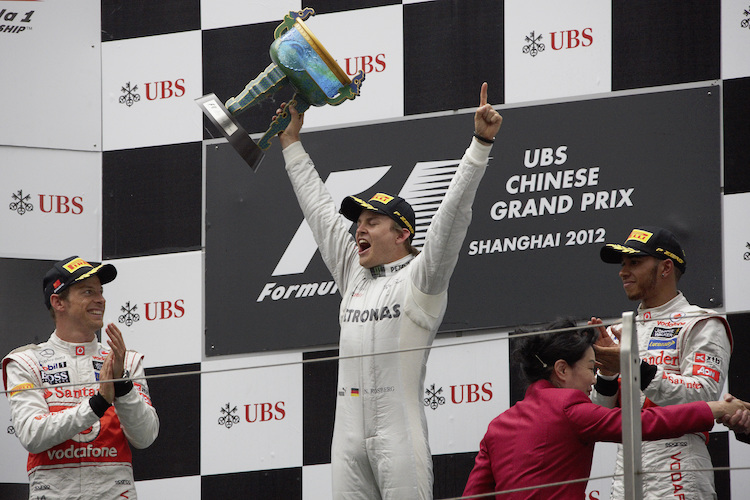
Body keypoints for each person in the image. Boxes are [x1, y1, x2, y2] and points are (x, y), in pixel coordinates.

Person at [274, 83, 502, 499]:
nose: (358, 229)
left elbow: (453, 216)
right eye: (357, 222)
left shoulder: (422, 278)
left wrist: (479, 146)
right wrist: (291, 145)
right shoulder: (353, 273)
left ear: (402, 234)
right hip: (346, 440)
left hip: (398, 437)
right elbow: (318, 208)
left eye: (371, 222)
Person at [462, 319, 744, 500]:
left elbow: (473, 494)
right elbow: (643, 423)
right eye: (590, 369)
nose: (594, 379)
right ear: (562, 369)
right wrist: (716, 408)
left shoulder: (497, 425)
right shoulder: (569, 408)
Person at [590, 226, 732, 499]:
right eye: (622, 264)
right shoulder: (620, 331)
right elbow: (598, 417)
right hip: (626, 468)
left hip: (679, 465)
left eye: (635, 262)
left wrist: (632, 366)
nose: (623, 272)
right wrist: (607, 373)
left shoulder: (701, 322)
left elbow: (703, 397)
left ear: (666, 268)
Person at [2, 256, 159, 499]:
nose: (100, 299)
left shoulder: (125, 361)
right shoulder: (25, 362)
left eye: (101, 291)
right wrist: (97, 404)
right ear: (58, 302)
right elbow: (33, 435)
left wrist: (124, 387)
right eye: (88, 291)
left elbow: (145, 436)